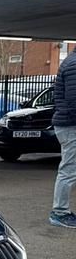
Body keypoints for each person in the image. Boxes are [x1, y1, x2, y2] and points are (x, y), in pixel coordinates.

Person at [50, 47, 76, 228]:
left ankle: (61, 211)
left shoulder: (71, 62)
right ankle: (59, 212)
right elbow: (74, 100)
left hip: (68, 123)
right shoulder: (74, 65)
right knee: (69, 169)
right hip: (71, 125)